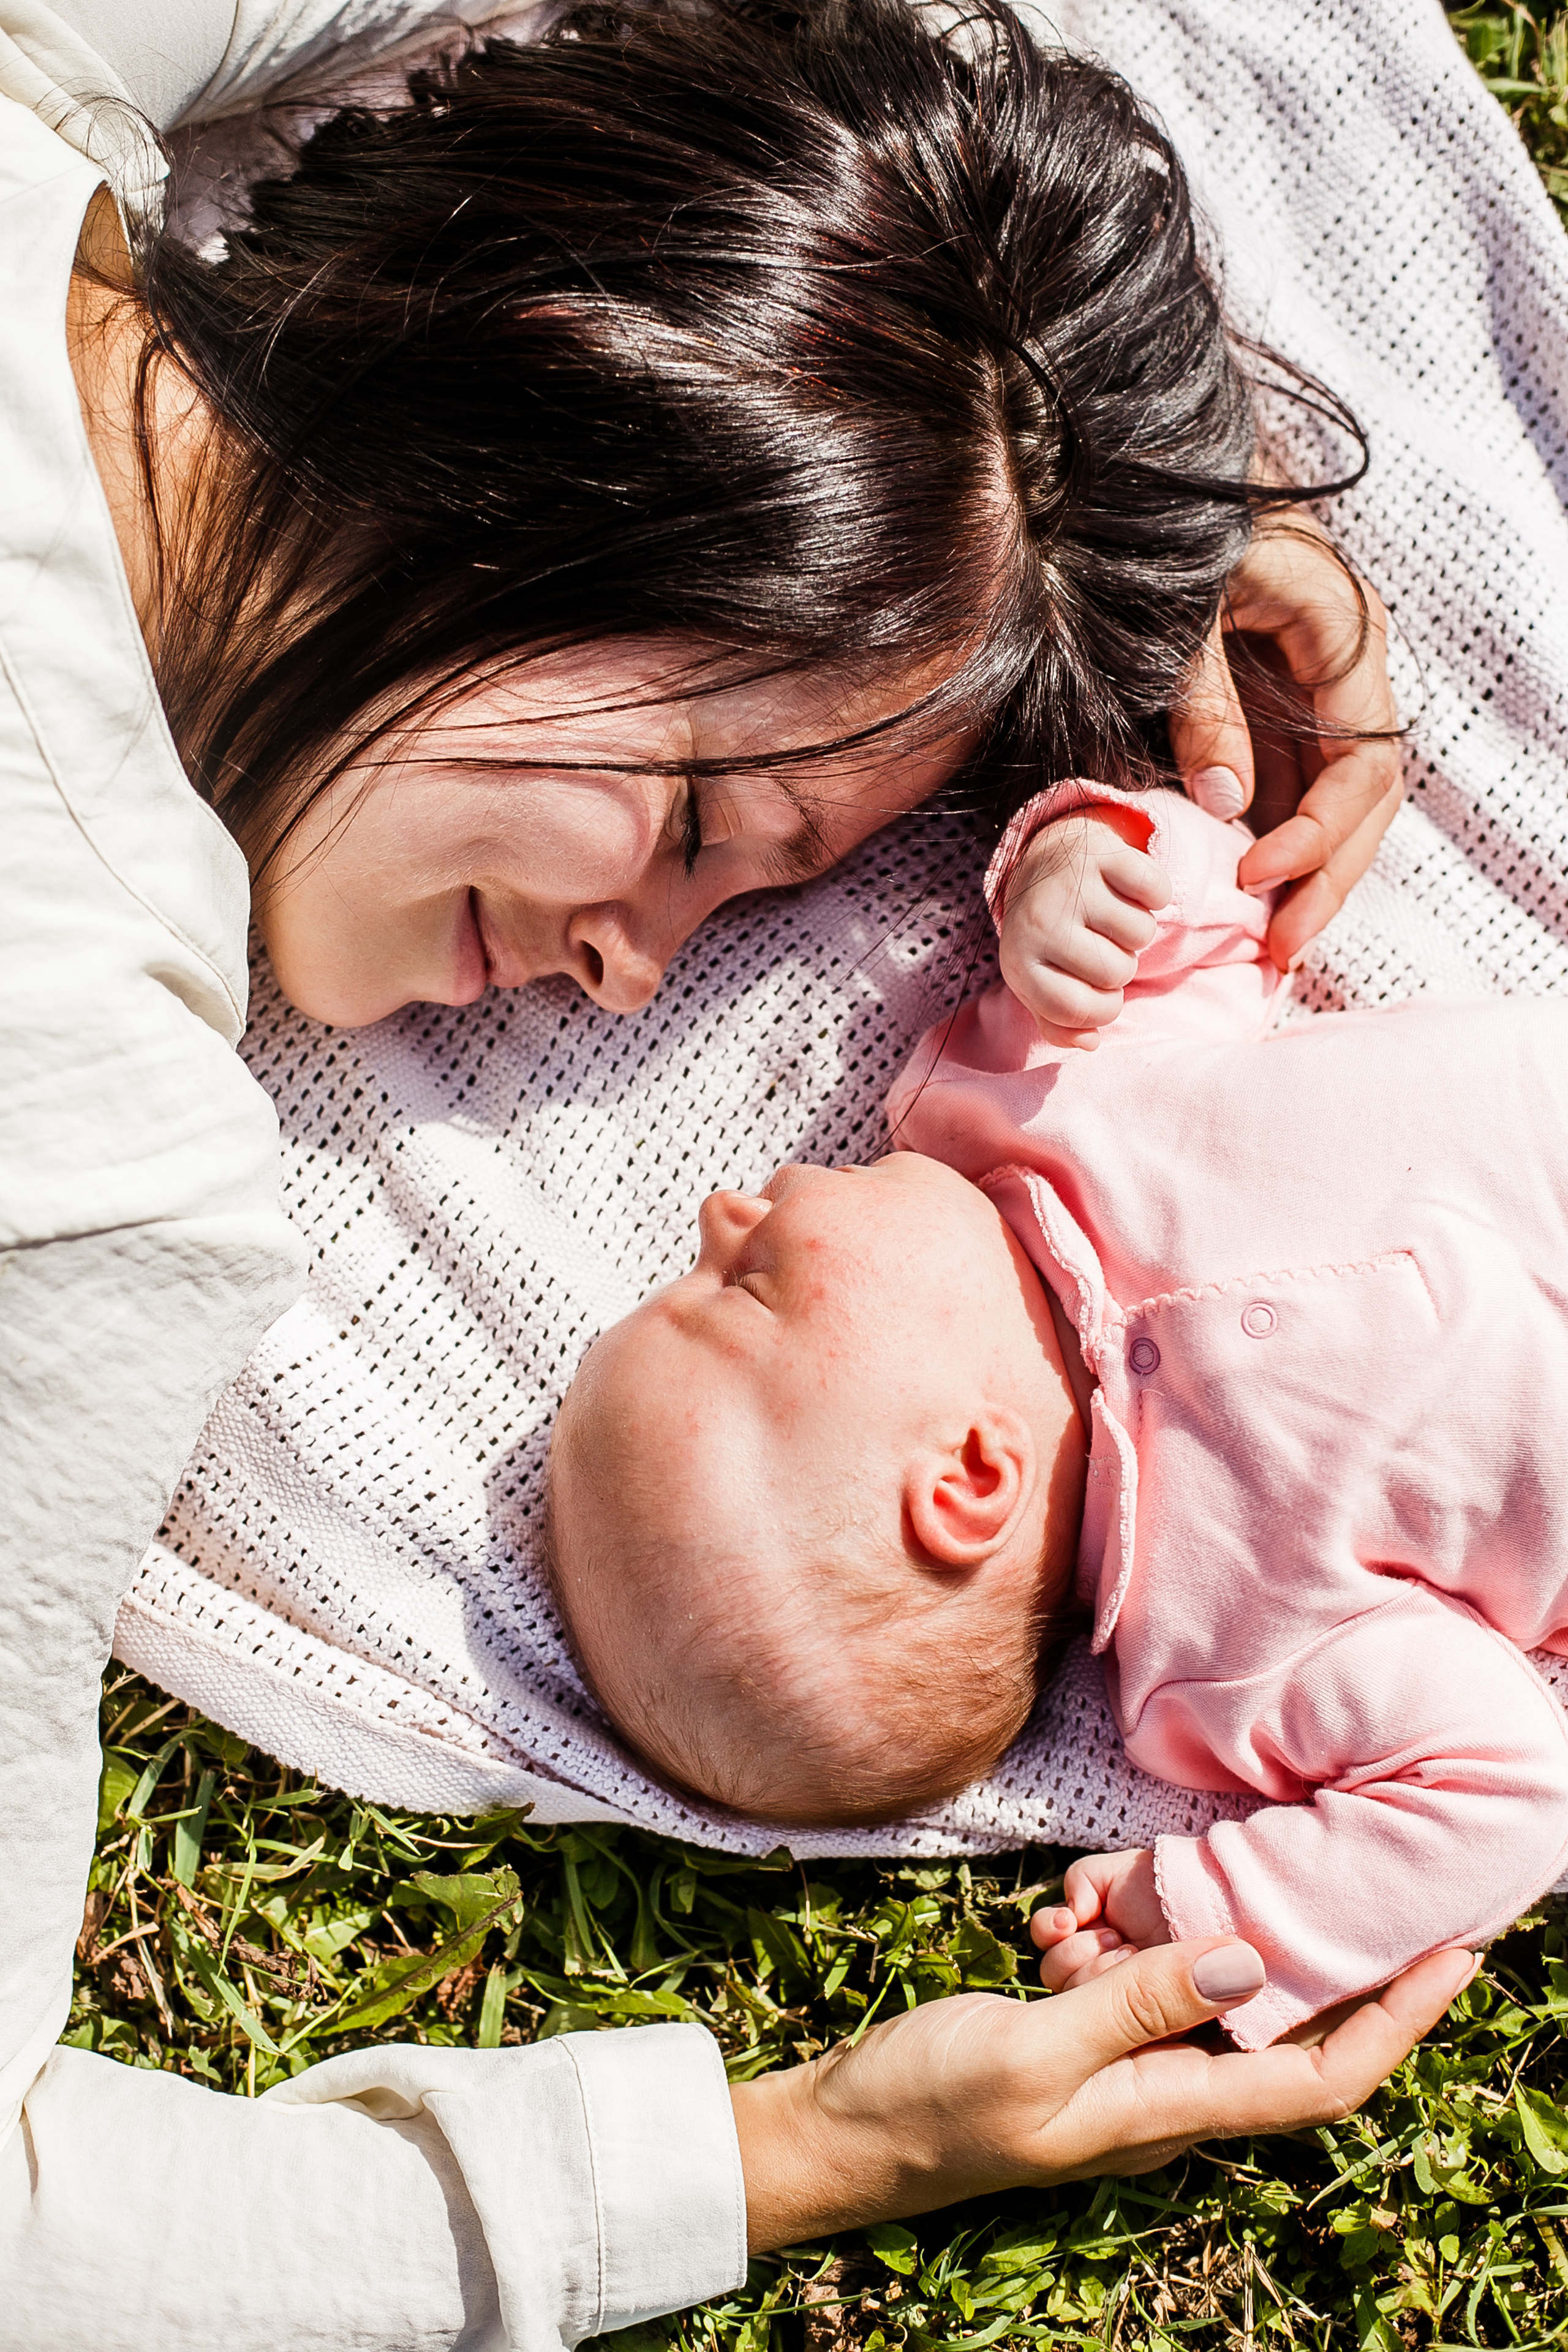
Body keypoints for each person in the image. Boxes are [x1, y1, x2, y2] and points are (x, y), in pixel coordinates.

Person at [0, 0, 1422, 2339]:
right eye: (690, 828)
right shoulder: (87, 1153)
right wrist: (810, 2145)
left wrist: (1009, 454)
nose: (634, 972)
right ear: (563, 406)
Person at [545, 783, 1568, 2048]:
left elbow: (1209, 921)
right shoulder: (1232, 1648)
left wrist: (1085, 870)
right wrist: (1221, 1902)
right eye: (745, 1291)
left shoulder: (1042, 1098)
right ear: (969, 1478)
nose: (718, 1214)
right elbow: (1505, 1794)